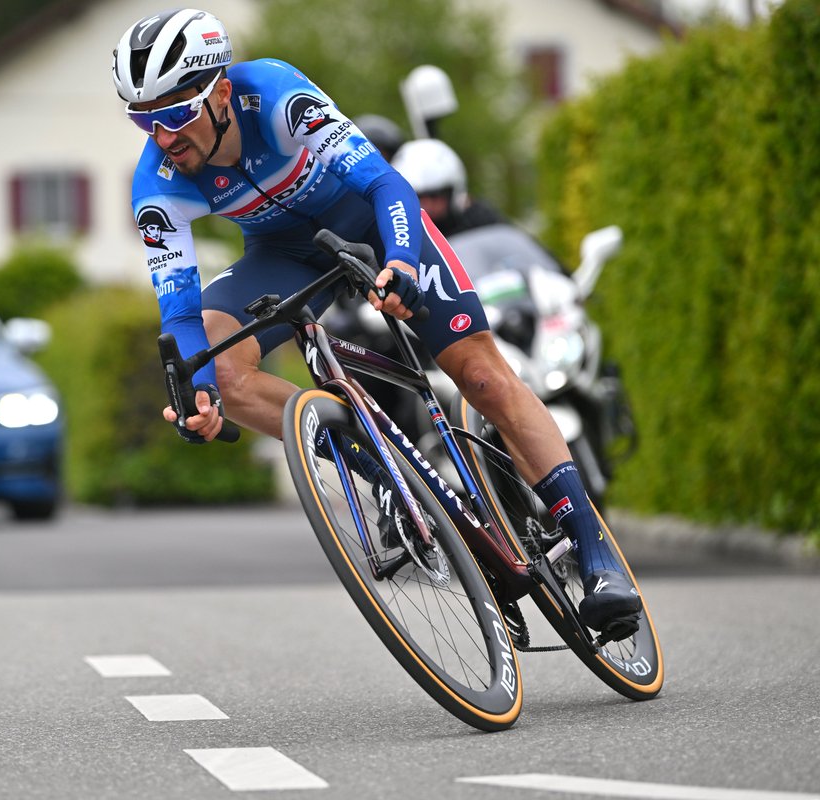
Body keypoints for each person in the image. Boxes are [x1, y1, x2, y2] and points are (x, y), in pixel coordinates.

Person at [112, 8, 640, 631]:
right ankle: (387, 474)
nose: (162, 136)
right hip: (283, 258)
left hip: (372, 223)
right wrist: (196, 391)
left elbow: (388, 187)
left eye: (174, 114)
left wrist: (403, 265)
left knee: (485, 378)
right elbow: (177, 305)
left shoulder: (277, 97)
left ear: (221, 93)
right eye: (143, 119)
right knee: (219, 369)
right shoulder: (158, 182)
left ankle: (593, 547)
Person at [390, 137, 508, 237]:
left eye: (435, 196)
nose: (428, 205)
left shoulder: (481, 220)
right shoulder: (395, 237)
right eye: (418, 197)